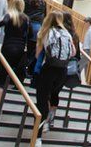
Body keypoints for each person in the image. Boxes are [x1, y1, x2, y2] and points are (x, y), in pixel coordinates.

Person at [0, 0, 31, 122]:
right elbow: (31, 35)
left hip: (7, 48)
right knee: (9, 76)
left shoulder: (9, 15)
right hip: (19, 50)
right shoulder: (26, 19)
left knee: (0, 77)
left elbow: (2, 23)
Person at [34, 11, 74, 141]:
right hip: (62, 70)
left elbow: (37, 54)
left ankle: (38, 136)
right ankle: (46, 123)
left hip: (49, 68)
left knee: (42, 100)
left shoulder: (46, 31)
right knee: (53, 95)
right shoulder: (67, 33)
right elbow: (73, 52)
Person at [23, 0, 47, 75]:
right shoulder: (42, 2)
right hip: (37, 28)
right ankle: (29, 70)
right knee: (32, 51)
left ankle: (19, 69)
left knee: (22, 49)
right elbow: (44, 16)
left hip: (25, 25)